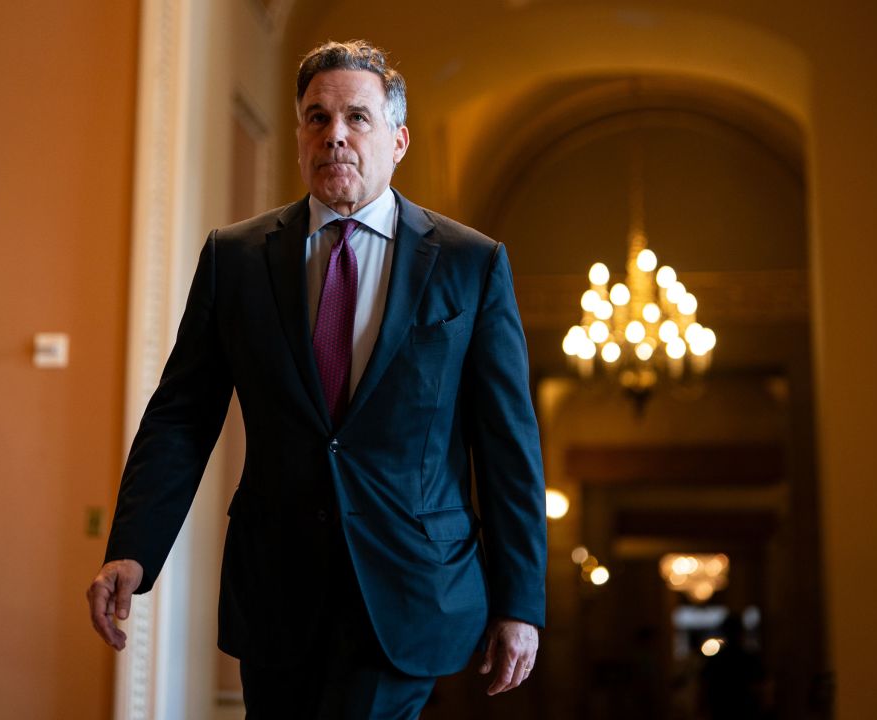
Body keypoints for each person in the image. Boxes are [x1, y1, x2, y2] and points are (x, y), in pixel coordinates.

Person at [85, 39, 547, 719]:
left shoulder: (470, 266)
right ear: (300, 135)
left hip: (410, 582)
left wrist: (520, 602)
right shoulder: (234, 259)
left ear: (397, 139)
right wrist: (134, 547)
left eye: (357, 118)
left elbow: (507, 443)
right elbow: (183, 415)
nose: (335, 136)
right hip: (275, 585)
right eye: (316, 118)